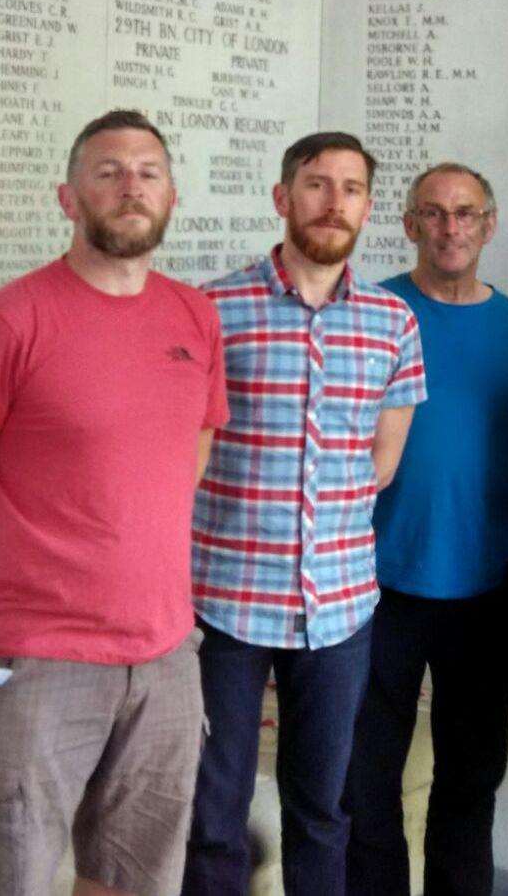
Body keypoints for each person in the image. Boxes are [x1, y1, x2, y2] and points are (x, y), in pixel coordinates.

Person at [0, 109, 228, 896]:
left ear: (172, 197)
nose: (130, 186)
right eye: (107, 170)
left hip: (165, 658)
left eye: (148, 171)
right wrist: (19, 587)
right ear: (67, 195)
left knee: (133, 879)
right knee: (10, 877)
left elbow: (192, 449)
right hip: (35, 659)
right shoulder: (4, 324)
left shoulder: (195, 315)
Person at [183, 132, 427, 896]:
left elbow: (382, 462)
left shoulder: (394, 322)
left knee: (322, 808)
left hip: (340, 607)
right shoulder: (213, 309)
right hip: (227, 601)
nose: (334, 201)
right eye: (317, 184)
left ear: (367, 206)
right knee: (214, 811)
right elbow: (185, 456)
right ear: (283, 198)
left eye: (351, 188)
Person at [343, 162, 508, 896]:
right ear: (408, 225)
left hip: (485, 592)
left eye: (466, 213)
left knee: (469, 781)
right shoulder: (369, 316)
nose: (450, 228)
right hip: (374, 589)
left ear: (490, 225)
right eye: (433, 213)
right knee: (365, 780)